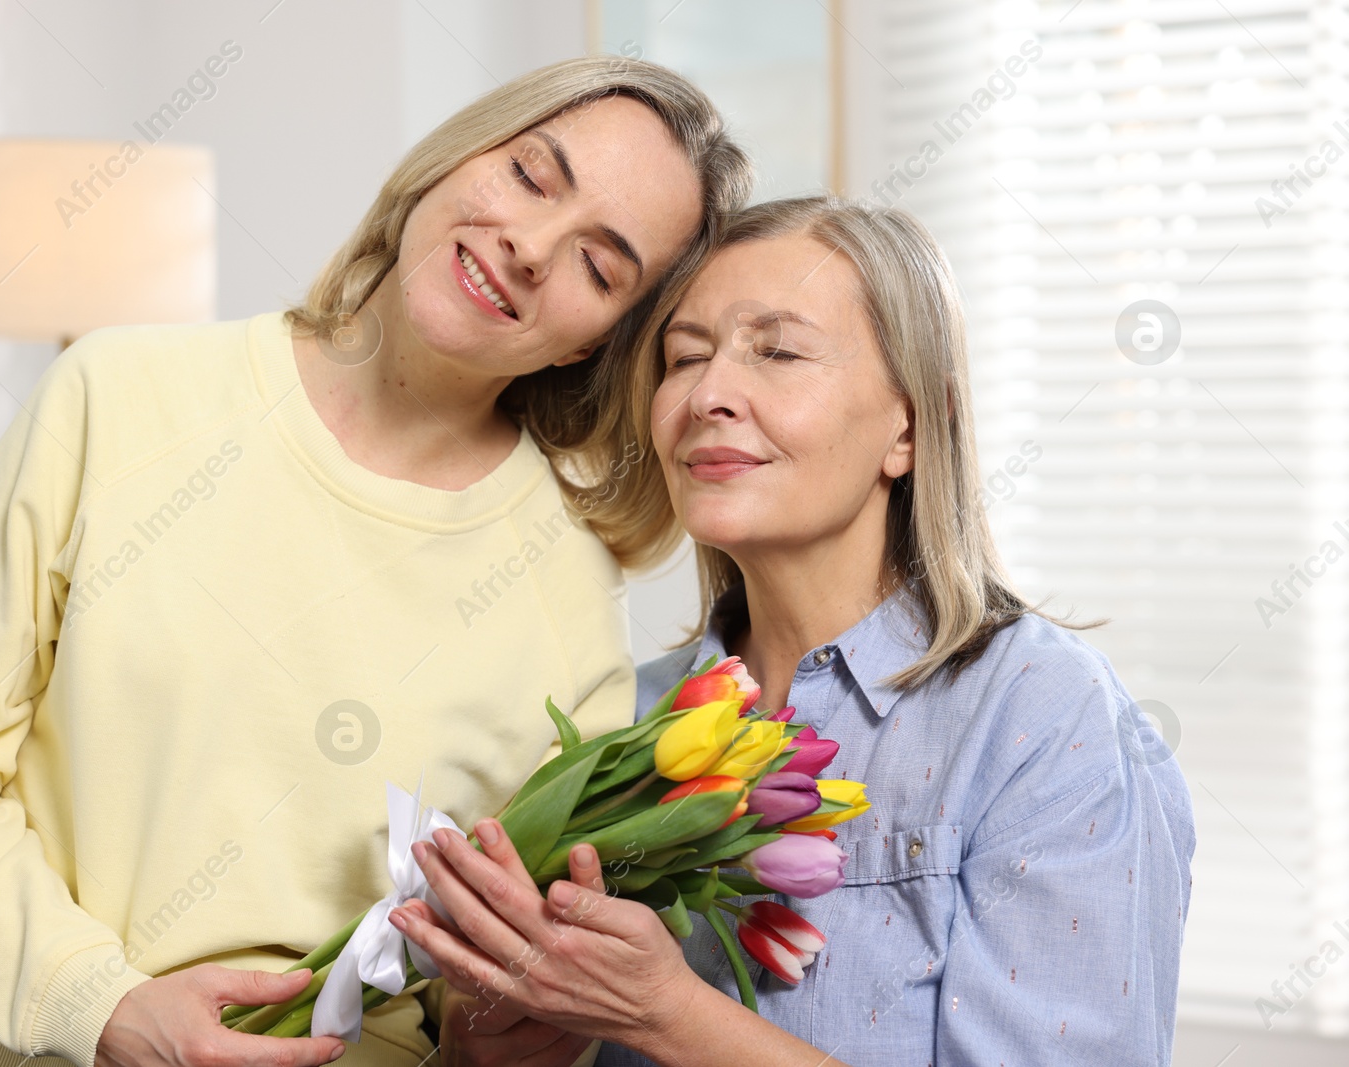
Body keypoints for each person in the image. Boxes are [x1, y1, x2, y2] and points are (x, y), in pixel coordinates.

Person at [0, 56, 753, 1067]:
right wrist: (98, 1003)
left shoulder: (568, 585)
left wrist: (501, 1020)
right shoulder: (117, 393)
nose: (531, 247)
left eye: (600, 265)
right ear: (452, 162)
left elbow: (479, 1004)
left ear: (595, 343)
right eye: (533, 175)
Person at [389, 196, 1198, 1067]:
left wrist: (669, 1013)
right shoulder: (626, 716)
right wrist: (493, 1037)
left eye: (776, 351)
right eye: (685, 356)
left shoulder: (1045, 718)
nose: (707, 394)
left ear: (910, 425)